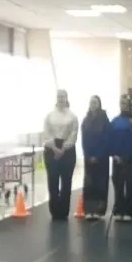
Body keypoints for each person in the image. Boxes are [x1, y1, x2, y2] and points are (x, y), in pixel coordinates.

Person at [43, 89, 78, 222]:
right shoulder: (49, 116)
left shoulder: (72, 116)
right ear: (56, 98)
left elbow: (73, 134)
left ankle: (63, 211)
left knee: (66, 182)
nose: (61, 98)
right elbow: (46, 133)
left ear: (66, 98)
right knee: (52, 181)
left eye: (63, 96)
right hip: (51, 149)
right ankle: (54, 211)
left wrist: (63, 149)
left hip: (67, 150)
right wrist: (54, 149)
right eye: (59, 96)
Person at [109, 95, 132, 222]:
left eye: (126, 103)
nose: (124, 105)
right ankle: (119, 209)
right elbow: (109, 140)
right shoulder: (115, 121)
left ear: (129, 105)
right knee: (118, 185)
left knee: (130, 186)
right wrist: (114, 155)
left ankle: (130, 211)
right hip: (117, 159)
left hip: (131, 159)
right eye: (122, 103)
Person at [81, 95, 110, 221]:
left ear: (99, 104)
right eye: (91, 102)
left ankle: (99, 210)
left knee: (100, 184)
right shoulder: (86, 120)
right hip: (89, 158)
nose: (93, 105)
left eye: (95, 103)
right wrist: (88, 155)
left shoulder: (104, 119)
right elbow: (84, 140)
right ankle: (88, 210)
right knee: (89, 184)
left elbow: (106, 139)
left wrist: (98, 155)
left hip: (101, 158)